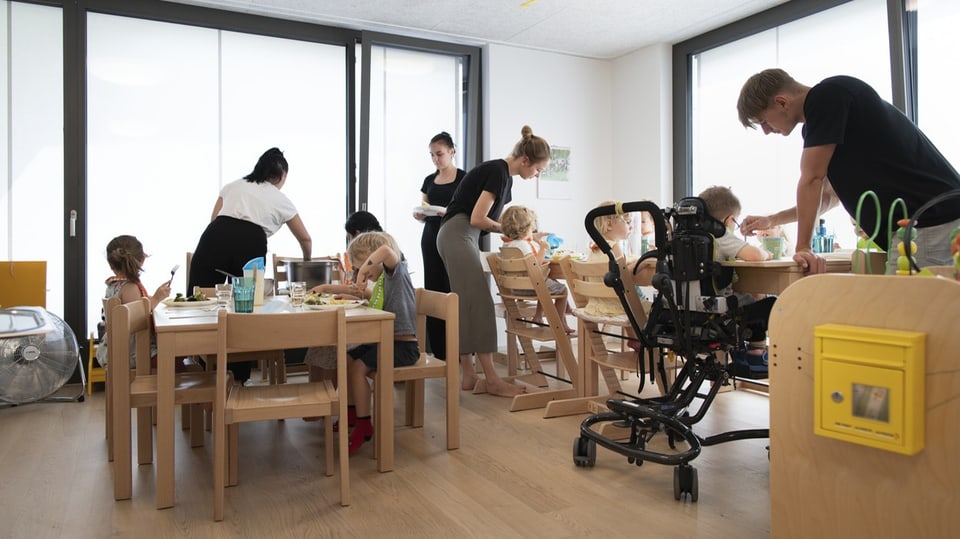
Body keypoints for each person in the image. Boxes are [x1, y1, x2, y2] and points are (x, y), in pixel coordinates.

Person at [736, 68, 960, 273]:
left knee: (909, 312)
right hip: (928, 223)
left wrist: (803, 246)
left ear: (782, 102)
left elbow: (812, 179)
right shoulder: (827, 117)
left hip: (931, 221)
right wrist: (772, 220)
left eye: (764, 121)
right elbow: (826, 197)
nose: (766, 131)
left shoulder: (827, 97)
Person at [437, 125, 551, 397]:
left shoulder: (501, 175)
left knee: (465, 306)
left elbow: (479, 219)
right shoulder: (498, 172)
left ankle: (469, 375)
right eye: (537, 169)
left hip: (456, 234)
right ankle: (491, 379)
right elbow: (478, 219)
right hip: (459, 233)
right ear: (525, 160)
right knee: (480, 304)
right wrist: (511, 232)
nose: (536, 175)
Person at [188, 147, 312, 384]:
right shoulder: (280, 198)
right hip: (250, 241)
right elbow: (305, 238)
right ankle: (238, 377)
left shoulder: (233, 186)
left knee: (200, 297)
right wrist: (306, 261)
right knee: (245, 307)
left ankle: (203, 366)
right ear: (283, 175)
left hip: (214, 236)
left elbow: (214, 218)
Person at [343, 231, 419, 454]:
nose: (362, 271)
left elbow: (386, 251)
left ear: (372, 257)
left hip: (403, 348)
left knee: (358, 368)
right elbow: (369, 296)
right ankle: (353, 411)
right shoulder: (384, 281)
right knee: (347, 358)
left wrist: (363, 271)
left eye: (364, 265)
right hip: (386, 343)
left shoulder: (396, 271)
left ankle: (365, 425)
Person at [699, 186, 775, 379]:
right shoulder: (719, 235)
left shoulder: (683, 236)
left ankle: (746, 356)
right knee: (772, 304)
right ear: (729, 220)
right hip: (719, 317)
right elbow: (756, 255)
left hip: (688, 316)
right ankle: (754, 357)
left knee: (751, 297)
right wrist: (768, 253)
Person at [413, 132, 467, 360]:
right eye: (432, 155)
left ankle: (461, 348)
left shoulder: (464, 178)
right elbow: (423, 207)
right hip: (431, 235)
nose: (436, 159)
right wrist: (420, 213)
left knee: (454, 288)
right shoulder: (428, 179)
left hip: (454, 235)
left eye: (439, 154)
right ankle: (439, 350)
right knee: (434, 287)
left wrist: (448, 211)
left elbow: (469, 209)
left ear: (452, 151)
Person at [96, 235, 172, 369]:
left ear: (110, 264)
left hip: (116, 348)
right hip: (133, 352)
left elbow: (135, 304)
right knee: (175, 354)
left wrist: (152, 298)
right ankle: (169, 388)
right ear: (142, 260)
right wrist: (156, 298)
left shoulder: (113, 285)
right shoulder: (130, 287)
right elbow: (139, 317)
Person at [498, 205, 575, 334]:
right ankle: (560, 322)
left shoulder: (508, 245)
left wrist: (536, 241)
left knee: (546, 281)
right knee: (562, 289)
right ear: (526, 228)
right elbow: (536, 266)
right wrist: (543, 249)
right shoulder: (523, 245)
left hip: (515, 289)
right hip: (531, 287)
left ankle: (539, 316)